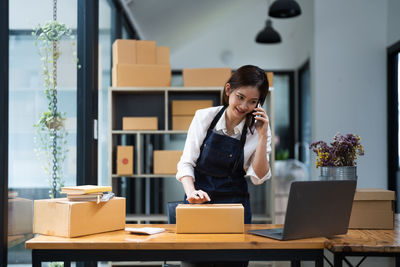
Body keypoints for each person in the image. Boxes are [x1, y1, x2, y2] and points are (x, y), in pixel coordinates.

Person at [176, 64, 272, 225]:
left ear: (259, 104)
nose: (243, 106)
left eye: (252, 101)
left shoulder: (259, 130)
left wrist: (262, 136)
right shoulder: (204, 117)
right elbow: (186, 162)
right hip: (199, 201)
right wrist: (191, 193)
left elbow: (259, 178)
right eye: (240, 97)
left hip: (235, 205)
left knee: (235, 251)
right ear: (228, 90)